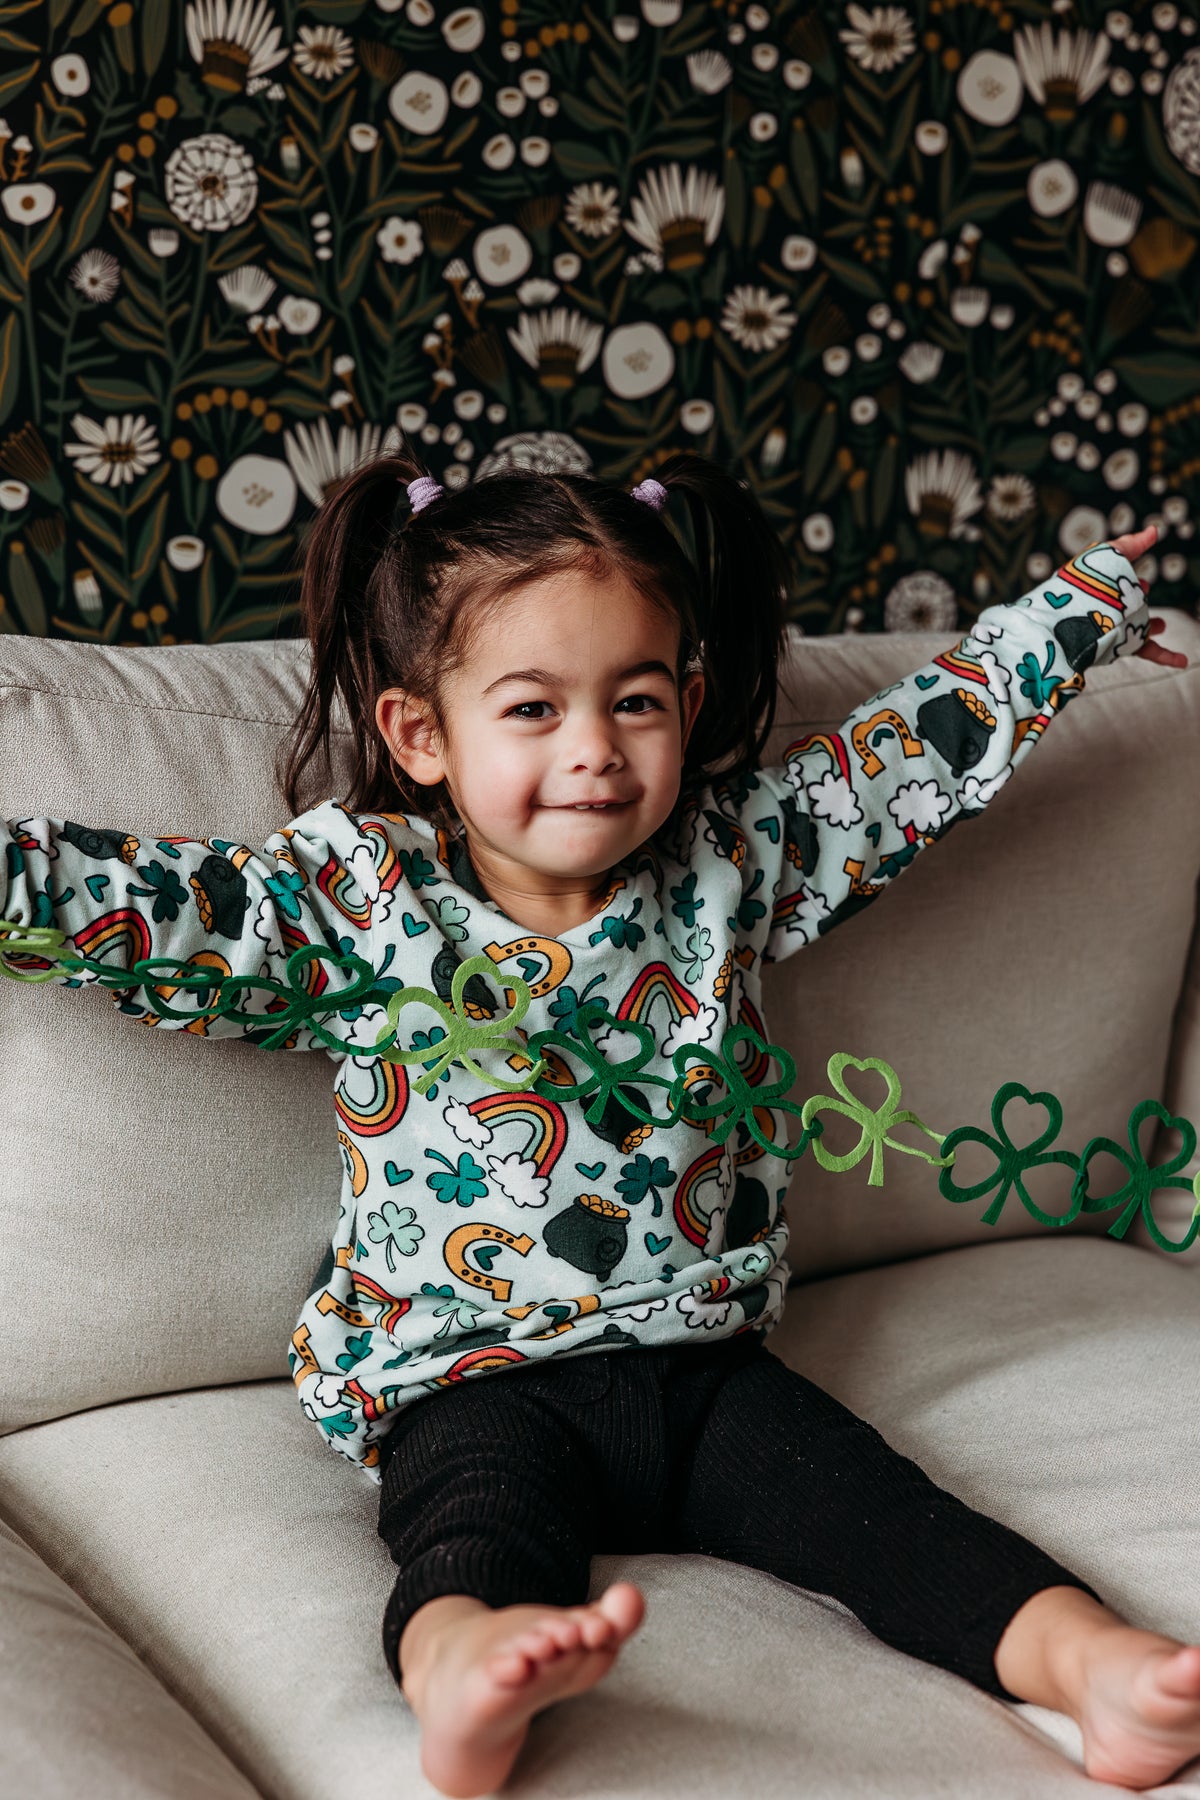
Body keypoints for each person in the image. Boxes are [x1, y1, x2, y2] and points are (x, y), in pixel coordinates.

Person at [2, 447, 1197, 1800]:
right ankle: (472, 1683)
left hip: (706, 1374)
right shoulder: (359, 908)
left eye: (633, 700)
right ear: (420, 735)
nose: (592, 749)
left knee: (898, 1524)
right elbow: (154, 910)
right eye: (532, 708)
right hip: (470, 1384)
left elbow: (906, 760)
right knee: (471, 1546)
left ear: (686, 704)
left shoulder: (730, 868)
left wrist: (1067, 622)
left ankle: (1095, 1667)